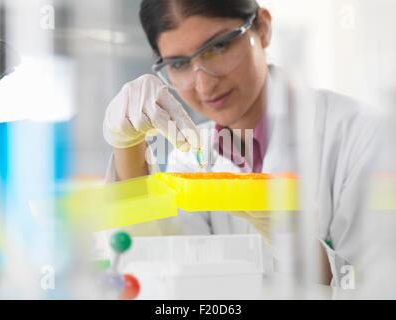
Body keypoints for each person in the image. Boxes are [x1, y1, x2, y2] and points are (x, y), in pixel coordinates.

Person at [103, 0, 379, 286]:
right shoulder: (190, 160)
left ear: (263, 28)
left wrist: (300, 246)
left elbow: (379, 288)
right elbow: (166, 279)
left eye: (218, 47)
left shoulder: (361, 135)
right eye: (179, 64)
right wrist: (127, 143)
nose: (204, 85)